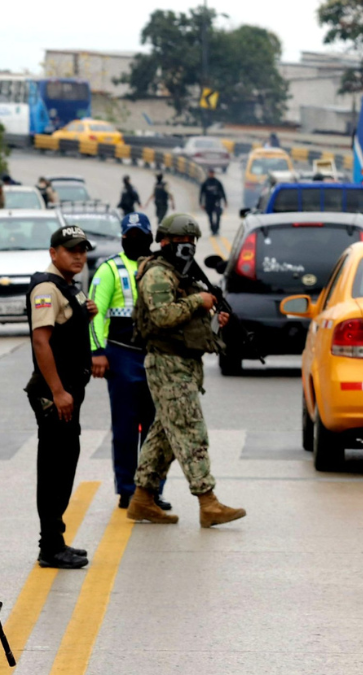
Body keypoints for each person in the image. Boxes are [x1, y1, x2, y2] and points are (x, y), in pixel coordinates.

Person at [127, 213, 246, 528]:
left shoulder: (182, 275)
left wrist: (213, 321)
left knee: (164, 436)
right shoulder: (157, 274)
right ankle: (208, 502)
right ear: (164, 241)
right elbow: (163, 317)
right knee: (191, 431)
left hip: (185, 363)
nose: (186, 246)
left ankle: (142, 499)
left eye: (191, 241)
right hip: (168, 364)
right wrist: (198, 302)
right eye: (180, 240)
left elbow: (190, 323)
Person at [26, 225, 98, 569]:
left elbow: (68, 325)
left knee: (66, 462)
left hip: (68, 391)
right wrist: (57, 391)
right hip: (55, 393)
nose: (79, 256)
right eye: (71, 250)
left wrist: (87, 312)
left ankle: (56, 540)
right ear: (53, 253)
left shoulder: (68, 286)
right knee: (55, 467)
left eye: (82, 250)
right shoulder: (46, 288)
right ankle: (50, 546)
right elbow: (41, 341)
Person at [89, 213, 169, 511]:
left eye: (140, 234)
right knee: (125, 428)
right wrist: (97, 352)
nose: (135, 239)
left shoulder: (162, 268)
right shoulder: (110, 268)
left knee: (157, 429)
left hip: (158, 355)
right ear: (122, 238)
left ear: (150, 237)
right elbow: (95, 313)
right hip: (122, 355)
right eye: (129, 235)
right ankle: (127, 490)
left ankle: (151, 491)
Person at [199, 169, 227, 236]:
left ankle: (217, 229)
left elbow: (222, 191)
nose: (211, 174)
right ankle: (213, 230)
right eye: (210, 173)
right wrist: (201, 203)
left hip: (217, 201)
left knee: (218, 215)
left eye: (212, 173)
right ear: (209, 173)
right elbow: (201, 194)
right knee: (210, 217)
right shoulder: (205, 183)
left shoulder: (217, 182)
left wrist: (225, 201)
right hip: (208, 202)